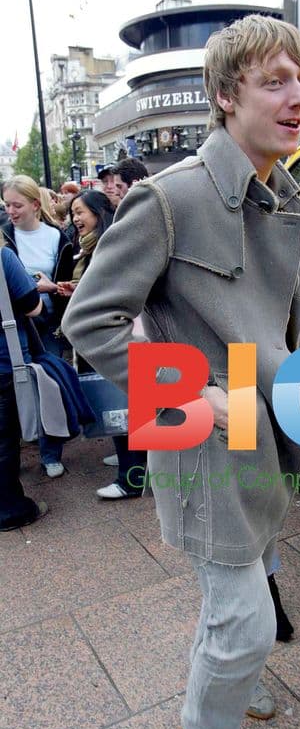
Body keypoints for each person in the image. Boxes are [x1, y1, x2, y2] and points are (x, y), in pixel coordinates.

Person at [63, 14, 300, 729]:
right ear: (224, 95)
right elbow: (89, 321)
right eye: (275, 80)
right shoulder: (171, 200)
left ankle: (231, 682)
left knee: (246, 592)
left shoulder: (285, 192)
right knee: (241, 618)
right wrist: (182, 395)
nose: (298, 96)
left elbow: (258, 316)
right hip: (203, 441)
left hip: (270, 437)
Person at [61, 189, 146, 499]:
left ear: (98, 212)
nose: (75, 219)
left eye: (80, 212)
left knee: (123, 405)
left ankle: (131, 478)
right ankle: (133, 467)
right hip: (117, 336)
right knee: (125, 408)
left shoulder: (107, 246)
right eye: (72, 213)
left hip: (118, 337)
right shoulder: (93, 246)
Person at [1, 175, 74, 477]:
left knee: (49, 388)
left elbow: (67, 283)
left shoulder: (58, 237)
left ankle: (51, 453)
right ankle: (14, 455)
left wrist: (50, 287)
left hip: (48, 323)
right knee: (13, 391)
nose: (11, 211)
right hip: (15, 325)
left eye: (17, 205)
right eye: (7, 205)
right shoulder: (5, 238)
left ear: (34, 204)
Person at [0, 237, 48, 531]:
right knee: (4, 441)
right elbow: (34, 307)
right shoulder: (3, 257)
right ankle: (9, 509)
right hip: (3, 363)